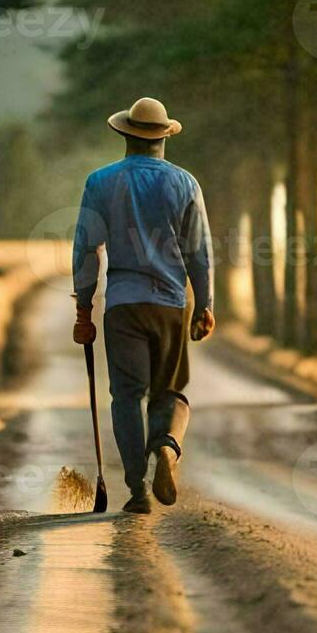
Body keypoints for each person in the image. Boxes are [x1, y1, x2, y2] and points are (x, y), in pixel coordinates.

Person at [70, 97, 216, 514]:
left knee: (127, 396)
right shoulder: (186, 184)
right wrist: (204, 304)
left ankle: (136, 492)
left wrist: (84, 308)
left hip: (123, 306)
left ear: (126, 136)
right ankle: (167, 451)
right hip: (170, 306)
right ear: (164, 138)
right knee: (169, 391)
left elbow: (86, 248)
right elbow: (199, 253)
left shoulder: (100, 182)